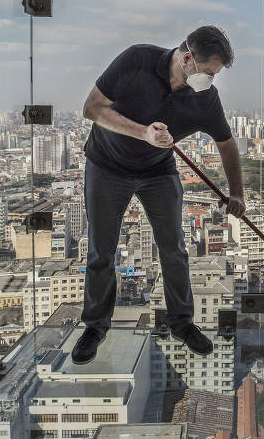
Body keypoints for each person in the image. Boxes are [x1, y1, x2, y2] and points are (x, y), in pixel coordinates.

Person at [72, 26, 246, 364]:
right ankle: (95, 326)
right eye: (208, 72)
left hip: (157, 172)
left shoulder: (204, 98)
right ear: (186, 58)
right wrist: (144, 134)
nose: (211, 80)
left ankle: (182, 323)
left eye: (215, 75)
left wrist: (236, 193)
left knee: (174, 248)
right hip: (106, 166)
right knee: (101, 251)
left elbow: (226, 145)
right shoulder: (137, 60)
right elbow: (91, 108)